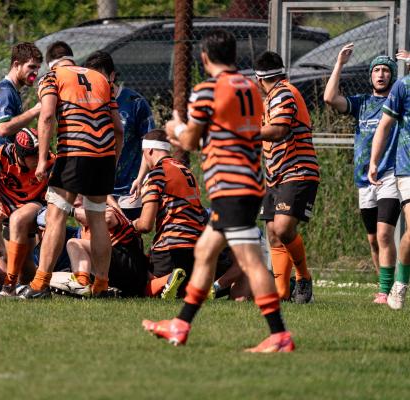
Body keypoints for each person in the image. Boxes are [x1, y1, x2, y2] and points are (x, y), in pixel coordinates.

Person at [143, 29, 294, 352]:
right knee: (204, 252)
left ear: (204, 58)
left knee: (252, 262)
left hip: (231, 187)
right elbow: (229, 134)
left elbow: (190, 141)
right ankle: (181, 325)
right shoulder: (251, 88)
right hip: (249, 182)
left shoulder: (207, 90)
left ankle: (279, 335)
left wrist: (174, 127)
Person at [19, 41, 123, 299]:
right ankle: (101, 285)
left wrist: (42, 159)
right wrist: (112, 161)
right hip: (103, 156)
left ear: (50, 63)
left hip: (74, 154)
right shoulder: (101, 79)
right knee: (97, 218)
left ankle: (40, 284)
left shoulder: (52, 77)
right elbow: (118, 128)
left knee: (56, 215)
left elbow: (47, 116)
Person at [324, 44, 399, 304]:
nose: (381, 74)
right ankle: (384, 286)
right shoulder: (362, 103)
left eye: (386, 70)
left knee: (384, 234)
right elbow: (330, 98)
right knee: (373, 240)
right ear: (370, 76)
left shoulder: (398, 102)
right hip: (364, 179)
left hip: (390, 174)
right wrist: (339, 64)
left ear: (392, 75)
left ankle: (386, 292)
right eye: (376, 70)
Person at [254, 51, 320, 304]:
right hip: (276, 176)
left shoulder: (284, 93)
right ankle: (281, 292)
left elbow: (279, 130)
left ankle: (303, 278)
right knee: (272, 231)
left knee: (282, 228)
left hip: (298, 171)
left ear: (259, 79)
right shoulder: (271, 98)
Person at [0, 127, 55, 297]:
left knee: (17, 219)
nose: (38, 158)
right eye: (33, 154)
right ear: (20, 154)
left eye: (40, 152)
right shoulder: (2, 154)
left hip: (36, 208)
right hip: (8, 211)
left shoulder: (49, 160)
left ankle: (9, 284)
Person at [133, 129, 206, 297]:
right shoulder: (186, 171)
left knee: (142, 289)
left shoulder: (157, 174)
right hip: (195, 248)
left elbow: (145, 225)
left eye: (143, 153)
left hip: (170, 248)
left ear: (149, 151)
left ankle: (167, 279)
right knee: (181, 291)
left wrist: (132, 224)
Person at [83, 51, 155, 219]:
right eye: (90, 79)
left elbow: (149, 145)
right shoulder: (86, 104)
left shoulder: (135, 103)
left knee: (129, 231)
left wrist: (141, 179)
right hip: (98, 185)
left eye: (99, 77)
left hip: (130, 187)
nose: (94, 83)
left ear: (112, 76)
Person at [369, 58, 410, 310]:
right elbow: (384, 126)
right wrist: (373, 162)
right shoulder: (403, 86)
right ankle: (399, 284)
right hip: (406, 168)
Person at [57, 200, 148, 297]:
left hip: (127, 266)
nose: (77, 213)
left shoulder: (108, 210)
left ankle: (81, 285)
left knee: (73, 244)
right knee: (58, 274)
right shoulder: (83, 232)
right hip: (118, 276)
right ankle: (90, 286)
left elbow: (108, 219)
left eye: (78, 206)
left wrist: (72, 211)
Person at [0, 42, 43, 145]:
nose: (36, 73)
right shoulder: (5, 92)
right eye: (32, 67)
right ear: (16, 65)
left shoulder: (12, 90)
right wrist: (35, 110)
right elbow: (2, 129)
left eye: (38, 68)